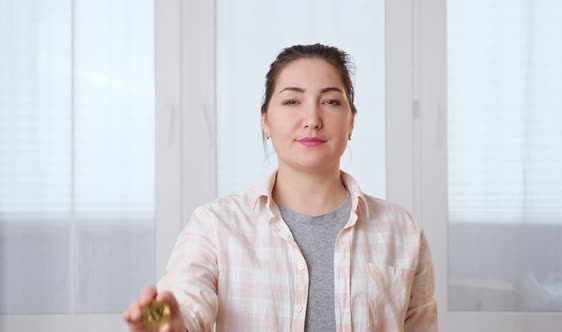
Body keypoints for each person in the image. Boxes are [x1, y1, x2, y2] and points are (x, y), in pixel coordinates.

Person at [123, 43, 438, 332]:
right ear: (265, 121)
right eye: (292, 101)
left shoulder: (402, 231)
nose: (312, 118)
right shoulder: (215, 226)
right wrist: (165, 320)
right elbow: (184, 306)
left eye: (330, 101)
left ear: (351, 121)